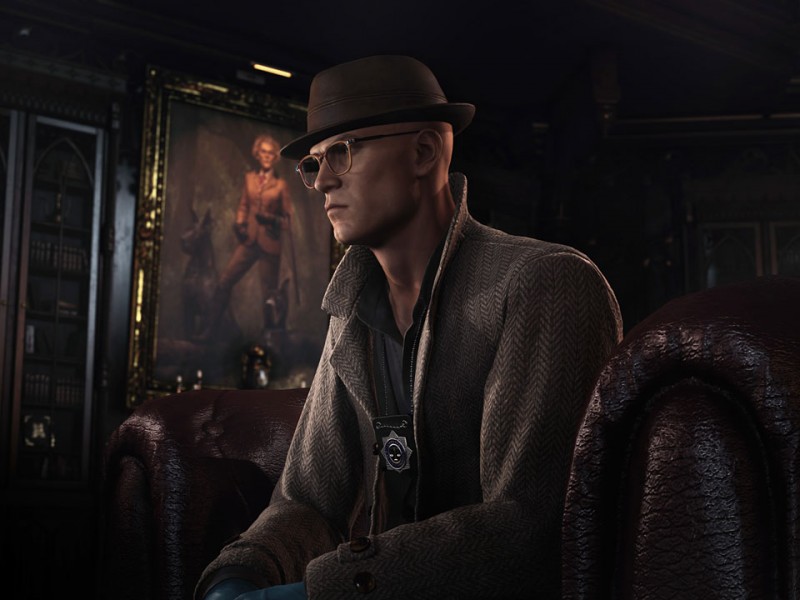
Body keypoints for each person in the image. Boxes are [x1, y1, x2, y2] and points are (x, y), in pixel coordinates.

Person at [195, 54, 623, 600]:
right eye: (314, 163)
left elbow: (530, 529)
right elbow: (308, 501)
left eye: (342, 152)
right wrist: (240, 576)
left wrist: (319, 591)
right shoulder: (351, 310)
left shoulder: (546, 283)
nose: (322, 181)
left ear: (424, 152)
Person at [197, 134, 295, 341]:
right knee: (224, 281)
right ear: (257, 154)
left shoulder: (280, 185)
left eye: (271, 153)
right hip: (248, 240)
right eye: (263, 152)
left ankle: (271, 340)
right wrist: (239, 223)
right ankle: (208, 331)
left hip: (270, 243)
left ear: (275, 157)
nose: (267, 156)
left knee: (269, 294)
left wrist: (271, 219)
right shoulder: (249, 179)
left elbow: (287, 220)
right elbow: (243, 205)